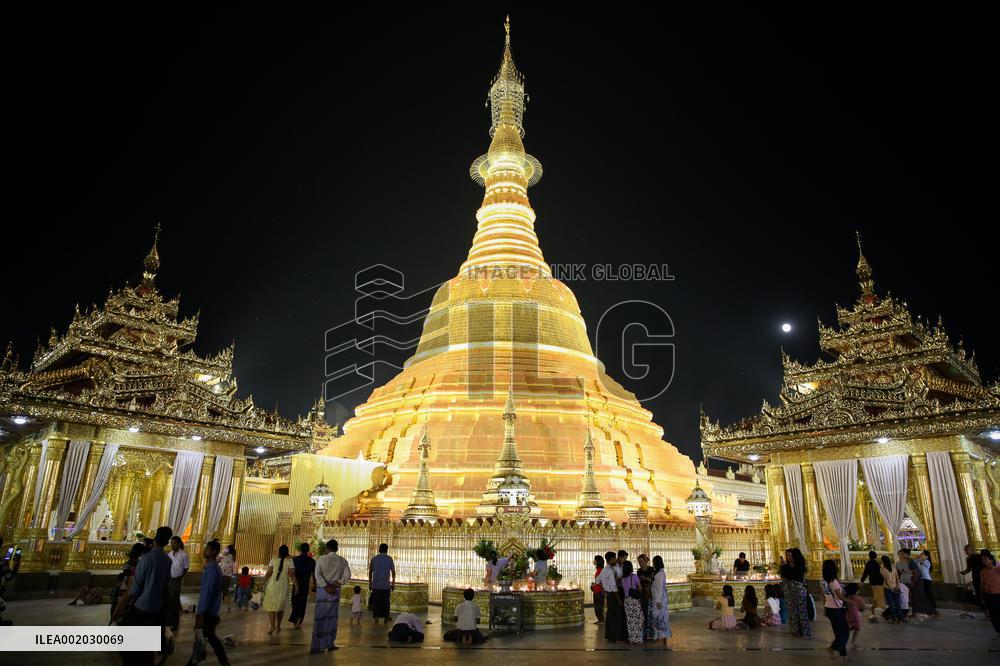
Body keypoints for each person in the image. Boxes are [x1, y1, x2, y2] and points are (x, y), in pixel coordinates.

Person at [118, 526, 173, 666]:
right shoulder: (167, 560)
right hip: (156, 607)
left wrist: (122, 605)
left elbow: (135, 587)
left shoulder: (146, 559)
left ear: (154, 539)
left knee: (130, 645)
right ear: (167, 543)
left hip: (141, 606)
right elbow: (166, 586)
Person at [187, 540, 229, 666]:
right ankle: (223, 661)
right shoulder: (213, 568)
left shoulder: (211, 570)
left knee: (206, 637)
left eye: (208, 548)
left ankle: (194, 661)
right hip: (212, 610)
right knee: (210, 637)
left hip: (208, 611)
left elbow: (207, 593)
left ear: (214, 552)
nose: (205, 550)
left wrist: (200, 613)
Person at [311, 538, 352, 653]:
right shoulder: (342, 561)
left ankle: (317, 646)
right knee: (332, 618)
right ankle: (329, 643)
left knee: (320, 617)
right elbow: (347, 575)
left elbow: (317, 575)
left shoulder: (321, 560)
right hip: (335, 591)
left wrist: (326, 586)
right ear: (337, 548)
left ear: (327, 548)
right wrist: (338, 583)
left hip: (323, 592)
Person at [262, 544, 294, 635]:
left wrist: (263, 582)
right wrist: (297, 585)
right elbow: (292, 574)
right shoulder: (290, 561)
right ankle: (278, 626)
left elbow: (268, 573)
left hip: (273, 584)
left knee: (271, 606)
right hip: (283, 585)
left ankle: (272, 626)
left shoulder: (273, 560)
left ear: (279, 552)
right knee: (280, 606)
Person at [779, 547, 811, 637]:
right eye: (788, 555)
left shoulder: (799, 565)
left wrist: (785, 566)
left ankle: (804, 630)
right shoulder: (790, 565)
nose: (789, 557)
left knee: (801, 610)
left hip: (798, 589)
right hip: (791, 589)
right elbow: (784, 575)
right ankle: (795, 629)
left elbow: (794, 575)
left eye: (791, 555)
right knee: (792, 610)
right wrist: (784, 566)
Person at [820, 559, 848, 661]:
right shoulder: (834, 582)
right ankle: (831, 648)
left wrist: (824, 608)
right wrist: (851, 601)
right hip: (837, 609)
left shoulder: (822, 581)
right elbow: (840, 596)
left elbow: (822, 595)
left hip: (829, 608)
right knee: (845, 632)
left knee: (838, 632)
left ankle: (843, 654)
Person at [109, 543, 145, 622]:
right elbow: (128, 581)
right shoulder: (137, 564)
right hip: (128, 590)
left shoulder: (131, 563)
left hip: (124, 590)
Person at [598, 551, 625, 642]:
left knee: (610, 616)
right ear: (612, 559)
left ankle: (610, 636)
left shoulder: (604, 570)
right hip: (613, 595)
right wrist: (619, 600)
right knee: (618, 615)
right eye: (614, 558)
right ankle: (617, 636)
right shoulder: (610, 571)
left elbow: (598, 581)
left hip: (608, 595)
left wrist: (604, 591)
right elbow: (614, 587)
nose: (615, 560)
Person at [165, 536, 190, 633]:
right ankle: (167, 621)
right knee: (169, 601)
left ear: (179, 543)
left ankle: (174, 623)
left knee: (175, 602)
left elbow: (186, 567)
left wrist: (180, 577)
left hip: (176, 579)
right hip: (169, 579)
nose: (172, 545)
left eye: (174, 543)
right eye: (171, 543)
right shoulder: (169, 554)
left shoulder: (183, 554)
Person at [289, 543, 315, 629]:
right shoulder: (312, 561)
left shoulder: (295, 559)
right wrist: (314, 584)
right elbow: (314, 574)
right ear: (308, 550)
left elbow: (292, 573)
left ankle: (295, 619)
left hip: (296, 583)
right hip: (305, 584)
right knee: (302, 602)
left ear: (300, 549)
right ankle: (299, 621)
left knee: (295, 601)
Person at [368, 543, 396, 624]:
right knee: (386, 602)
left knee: (376, 602)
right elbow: (393, 571)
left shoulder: (374, 559)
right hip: (385, 585)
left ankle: (376, 618)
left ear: (379, 549)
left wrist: (370, 583)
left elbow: (370, 571)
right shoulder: (389, 559)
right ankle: (386, 618)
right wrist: (393, 583)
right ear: (387, 550)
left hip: (376, 584)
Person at [649, 555, 671, 648]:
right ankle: (660, 635)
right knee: (661, 616)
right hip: (661, 598)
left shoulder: (659, 575)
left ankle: (661, 635)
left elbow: (658, 589)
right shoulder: (660, 573)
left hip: (659, 599)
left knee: (658, 616)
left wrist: (658, 601)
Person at [621, 560, 644, 644]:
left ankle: (632, 639)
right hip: (634, 600)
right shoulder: (634, 577)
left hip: (627, 601)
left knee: (630, 620)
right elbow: (640, 588)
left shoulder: (622, 579)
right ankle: (638, 639)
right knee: (639, 619)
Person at [959, 544, 984, 614]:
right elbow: (969, 569)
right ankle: (981, 606)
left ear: (972, 549)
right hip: (975, 575)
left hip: (982, 575)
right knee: (978, 590)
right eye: (965, 550)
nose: (966, 552)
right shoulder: (968, 559)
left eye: (967, 550)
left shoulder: (979, 556)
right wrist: (964, 572)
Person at [980, 551, 1000, 638]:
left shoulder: (997, 569)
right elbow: (982, 584)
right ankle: (999, 631)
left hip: (998, 594)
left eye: (986, 559)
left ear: (991, 560)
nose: (984, 561)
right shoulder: (983, 572)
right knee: (993, 615)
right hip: (989, 595)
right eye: (983, 560)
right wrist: (982, 597)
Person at [859, 550, 884, 619]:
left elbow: (865, 573)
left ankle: (874, 611)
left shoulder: (868, 563)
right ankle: (877, 612)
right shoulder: (877, 563)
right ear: (876, 556)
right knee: (879, 597)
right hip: (879, 582)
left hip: (872, 582)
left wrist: (862, 581)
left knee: (876, 596)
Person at [911, 549, 936, 616]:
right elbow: (913, 562)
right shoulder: (919, 562)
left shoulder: (927, 562)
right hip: (921, 580)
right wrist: (917, 557)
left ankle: (933, 609)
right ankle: (927, 609)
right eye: (921, 554)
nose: (920, 555)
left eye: (922, 554)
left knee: (928, 594)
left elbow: (925, 565)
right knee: (923, 595)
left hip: (926, 579)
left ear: (926, 556)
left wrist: (921, 559)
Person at [636, 554, 655, 640]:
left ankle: (651, 633)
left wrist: (646, 579)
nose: (640, 563)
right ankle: (644, 632)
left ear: (646, 561)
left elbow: (653, 581)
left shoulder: (651, 569)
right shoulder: (639, 571)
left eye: (642, 562)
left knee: (650, 613)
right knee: (643, 612)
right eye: (639, 562)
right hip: (642, 593)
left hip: (650, 593)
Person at [880, 555, 903, 623]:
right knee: (897, 603)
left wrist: (892, 588)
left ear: (883, 562)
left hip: (888, 588)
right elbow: (897, 579)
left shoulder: (882, 569)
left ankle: (894, 618)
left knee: (892, 604)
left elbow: (887, 580)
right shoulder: (894, 568)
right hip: (895, 587)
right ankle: (901, 618)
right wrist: (898, 587)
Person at [844, 582, 865, 649]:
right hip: (856, 617)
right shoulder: (859, 599)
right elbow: (863, 607)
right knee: (857, 629)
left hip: (847, 616)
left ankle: (844, 641)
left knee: (847, 630)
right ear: (856, 591)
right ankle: (853, 641)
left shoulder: (845, 598)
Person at [218, 545, 236, 613]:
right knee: (225, 592)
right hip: (228, 576)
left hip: (222, 575)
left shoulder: (223, 555)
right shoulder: (232, 556)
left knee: (218, 591)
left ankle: (216, 606)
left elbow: (217, 558)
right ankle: (229, 607)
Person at [591, 555, 606, 624]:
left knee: (598, 607)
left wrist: (594, 585)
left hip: (598, 591)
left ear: (598, 561)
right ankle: (600, 619)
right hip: (597, 590)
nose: (593, 561)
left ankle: (601, 620)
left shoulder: (600, 570)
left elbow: (600, 582)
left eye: (595, 560)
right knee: (598, 606)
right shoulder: (600, 570)